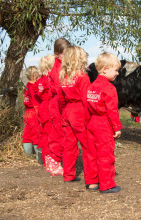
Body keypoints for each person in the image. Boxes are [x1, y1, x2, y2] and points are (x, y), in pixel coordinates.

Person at [85, 52, 122, 193]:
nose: (117, 73)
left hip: (92, 123)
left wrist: (87, 123)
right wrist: (117, 127)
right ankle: (107, 184)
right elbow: (112, 110)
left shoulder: (91, 87)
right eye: (116, 70)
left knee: (92, 154)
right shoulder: (109, 88)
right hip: (103, 124)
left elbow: (86, 107)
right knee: (106, 154)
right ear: (105, 69)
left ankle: (92, 182)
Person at [59, 45, 91, 183]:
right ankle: (92, 177)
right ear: (80, 59)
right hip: (79, 111)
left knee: (69, 145)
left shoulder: (64, 78)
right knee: (87, 145)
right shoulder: (82, 77)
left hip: (67, 111)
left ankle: (68, 175)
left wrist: (64, 113)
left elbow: (60, 99)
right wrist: (90, 118)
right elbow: (86, 100)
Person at [46, 38, 71, 171]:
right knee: (58, 133)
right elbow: (59, 89)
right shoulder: (58, 69)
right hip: (58, 104)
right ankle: (54, 161)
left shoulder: (61, 66)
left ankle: (54, 160)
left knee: (59, 132)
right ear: (57, 54)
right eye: (64, 54)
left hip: (58, 103)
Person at [36, 55, 57, 173]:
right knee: (51, 135)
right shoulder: (50, 78)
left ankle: (45, 161)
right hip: (49, 107)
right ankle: (50, 162)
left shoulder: (41, 79)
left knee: (44, 134)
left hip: (42, 107)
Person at [22, 66, 41, 159]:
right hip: (34, 112)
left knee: (27, 134)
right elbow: (36, 102)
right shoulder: (34, 87)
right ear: (35, 75)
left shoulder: (26, 87)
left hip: (27, 113)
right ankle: (38, 157)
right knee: (36, 134)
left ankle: (28, 156)